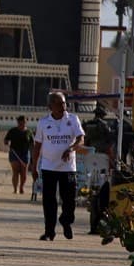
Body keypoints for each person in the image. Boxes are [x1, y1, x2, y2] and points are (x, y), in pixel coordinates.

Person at [31, 92, 85, 241]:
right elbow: (37, 146)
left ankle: (66, 221)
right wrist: (34, 166)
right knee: (49, 201)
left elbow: (81, 139)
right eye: (59, 103)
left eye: (64, 103)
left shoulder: (73, 119)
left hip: (68, 168)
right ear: (50, 106)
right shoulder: (43, 123)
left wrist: (71, 149)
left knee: (69, 200)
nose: (63, 106)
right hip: (48, 167)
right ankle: (49, 231)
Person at [4, 115, 34, 194]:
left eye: (24, 122)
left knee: (24, 173)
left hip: (25, 154)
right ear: (18, 122)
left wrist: (33, 157)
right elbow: (6, 140)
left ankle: (21, 187)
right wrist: (7, 142)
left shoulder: (29, 132)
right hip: (14, 153)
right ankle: (15, 188)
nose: (22, 124)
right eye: (20, 122)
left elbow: (32, 145)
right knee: (15, 171)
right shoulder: (13, 131)